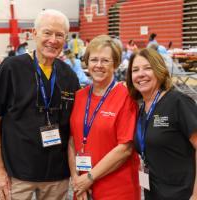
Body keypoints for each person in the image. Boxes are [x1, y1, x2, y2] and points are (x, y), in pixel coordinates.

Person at [0, 9, 80, 200]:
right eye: (47, 32)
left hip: (56, 176)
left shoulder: (69, 76)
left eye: (59, 35)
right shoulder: (11, 68)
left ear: (65, 38)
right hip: (16, 175)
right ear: (34, 33)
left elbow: (73, 131)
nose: (53, 40)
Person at [68, 35, 140, 200]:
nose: (98, 65)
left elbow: (125, 149)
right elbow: (72, 141)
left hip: (117, 188)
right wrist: (77, 180)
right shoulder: (79, 96)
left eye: (105, 60)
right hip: (83, 188)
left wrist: (89, 177)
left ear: (115, 64)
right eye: (94, 59)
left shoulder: (126, 96)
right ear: (87, 62)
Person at [126, 48, 197, 200]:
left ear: (159, 70)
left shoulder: (178, 102)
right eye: (135, 70)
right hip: (154, 193)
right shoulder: (142, 110)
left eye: (147, 68)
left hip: (183, 194)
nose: (141, 74)